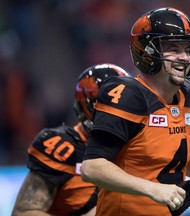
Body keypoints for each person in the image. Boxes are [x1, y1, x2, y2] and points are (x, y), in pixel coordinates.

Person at [81, 7, 190, 216]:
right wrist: (152, 189)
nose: (184, 57)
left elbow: (188, 166)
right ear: (147, 52)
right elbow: (92, 167)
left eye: (187, 49)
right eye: (174, 49)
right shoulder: (128, 95)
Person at [12, 63, 130, 216]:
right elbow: (23, 213)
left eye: (126, 105)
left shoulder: (139, 143)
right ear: (88, 106)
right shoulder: (63, 148)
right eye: (110, 106)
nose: (118, 114)